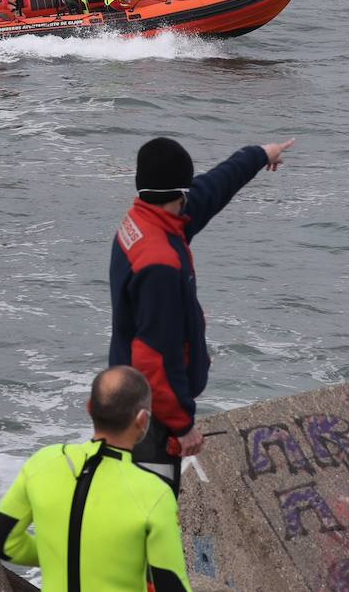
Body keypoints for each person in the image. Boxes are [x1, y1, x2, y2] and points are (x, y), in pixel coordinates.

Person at [109, 136, 294, 495]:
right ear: (180, 191)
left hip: (125, 393)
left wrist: (259, 156)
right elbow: (154, 357)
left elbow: (212, 189)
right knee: (151, 512)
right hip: (149, 416)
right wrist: (181, 425)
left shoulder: (143, 220)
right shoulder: (160, 262)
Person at [0, 366, 190, 592]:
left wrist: (60, 554)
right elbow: (171, 584)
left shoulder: (42, 462)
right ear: (142, 420)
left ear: (90, 407)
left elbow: (1, 542)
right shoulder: (154, 492)